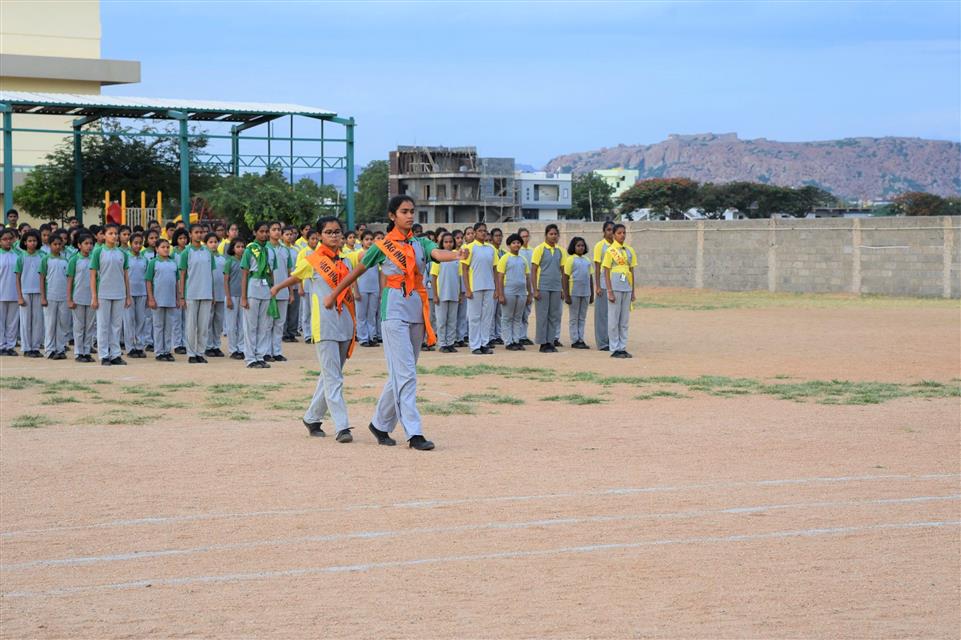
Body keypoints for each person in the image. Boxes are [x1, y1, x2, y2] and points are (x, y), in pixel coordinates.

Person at [324, 195, 468, 451]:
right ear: (392, 216)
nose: (410, 216)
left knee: (403, 372)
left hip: (417, 311)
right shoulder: (381, 247)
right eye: (404, 211)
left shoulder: (420, 242)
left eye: (412, 211)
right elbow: (356, 272)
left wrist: (456, 253)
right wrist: (334, 294)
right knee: (406, 374)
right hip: (393, 312)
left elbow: (437, 252)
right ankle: (414, 433)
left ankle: (380, 423)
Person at [271, 217, 356, 442]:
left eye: (337, 232)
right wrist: (278, 287)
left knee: (330, 375)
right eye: (329, 232)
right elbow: (296, 276)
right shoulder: (313, 259)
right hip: (324, 324)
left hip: (345, 323)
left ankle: (312, 417)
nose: (334, 236)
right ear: (319, 236)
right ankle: (343, 426)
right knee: (333, 377)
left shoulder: (347, 259)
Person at [89, 224, 131, 365]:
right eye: (110, 233)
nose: (114, 236)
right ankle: (104, 355)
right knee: (103, 325)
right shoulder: (98, 252)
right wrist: (94, 296)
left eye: (115, 233)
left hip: (119, 293)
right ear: (104, 235)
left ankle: (115, 354)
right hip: (103, 293)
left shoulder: (123, 253)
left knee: (116, 325)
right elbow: (93, 275)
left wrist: (128, 295)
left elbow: (125, 276)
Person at [240, 221, 276, 369]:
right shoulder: (250, 250)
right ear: (255, 233)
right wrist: (243, 297)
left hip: (265, 287)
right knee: (251, 325)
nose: (265, 234)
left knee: (264, 325)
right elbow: (244, 274)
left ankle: (260, 355)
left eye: (266, 231)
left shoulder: (268, 250)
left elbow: (271, 272)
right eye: (261, 231)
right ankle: (250, 357)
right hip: (253, 286)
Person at [178, 228, 215, 364]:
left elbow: (210, 274)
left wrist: (213, 294)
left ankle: (200, 352)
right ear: (190, 235)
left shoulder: (207, 252)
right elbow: (182, 275)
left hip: (206, 293)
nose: (199, 235)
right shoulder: (186, 252)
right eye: (196, 232)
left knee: (203, 325)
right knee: (191, 325)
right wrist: (182, 296)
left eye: (201, 232)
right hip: (191, 293)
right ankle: (191, 353)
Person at [602, 223, 638, 359]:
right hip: (615, 286)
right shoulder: (610, 251)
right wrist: (609, 290)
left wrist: (633, 290)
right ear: (614, 234)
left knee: (624, 320)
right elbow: (606, 270)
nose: (622, 235)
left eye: (624, 233)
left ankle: (622, 347)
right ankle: (614, 347)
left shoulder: (629, 251)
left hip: (626, 287)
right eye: (619, 233)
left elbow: (632, 270)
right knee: (613, 318)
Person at [461, 222, 497, 355]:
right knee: (474, 317)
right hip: (475, 287)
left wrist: (497, 289)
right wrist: (467, 288)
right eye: (480, 231)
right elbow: (464, 269)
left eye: (485, 231)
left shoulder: (491, 248)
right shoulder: (469, 248)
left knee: (487, 316)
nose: (483, 233)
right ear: (475, 233)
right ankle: (475, 345)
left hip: (489, 286)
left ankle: (484, 343)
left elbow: (495, 269)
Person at [530, 224, 566, 353]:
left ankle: (551, 341)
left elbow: (562, 271)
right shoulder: (539, 249)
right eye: (551, 234)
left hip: (556, 287)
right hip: (543, 287)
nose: (553, 236)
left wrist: (563, 289)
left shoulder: (560, 251)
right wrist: (535, 289)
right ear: (546, 235)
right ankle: (542, 343)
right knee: (542, 315)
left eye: (556, 234)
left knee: (554, 315)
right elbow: (533, 270)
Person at [496, 232, 532, 351]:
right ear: (509, 245)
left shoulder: (523, 259)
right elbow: (500, 277)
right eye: (513, 243)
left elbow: (527, 277)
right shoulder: (505, 258)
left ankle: (516, 340)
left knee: (518, 317)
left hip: (521, 292)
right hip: (509, 292)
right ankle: (508, 341)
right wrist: (501, 294)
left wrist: (529, 293)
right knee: (507, 317)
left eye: (518, 243)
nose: (516, 245)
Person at [146, 238, 179, 362]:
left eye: (167, 247)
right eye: (163, 247)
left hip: (170, 299)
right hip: (158, 299)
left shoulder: (173, 263)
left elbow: (176, 282)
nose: (165, 249)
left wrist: (177, 298)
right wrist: (151, 298)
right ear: (157, 249)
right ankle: (159, 351)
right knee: (158, 326)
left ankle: (167, 350)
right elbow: (148, 281)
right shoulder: (153, 263)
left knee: (169, 326)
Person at [266, 221, 293, 362]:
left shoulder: (285, 250)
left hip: (283, 291)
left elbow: (289, 272)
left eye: (278, 229)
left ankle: (276, 351)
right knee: (268, 322)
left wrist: (291, 292)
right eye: (273, 229)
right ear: (269, 232)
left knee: (279, 323)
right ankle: (266, 351)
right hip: (269, 291)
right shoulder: (265, 249)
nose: (276, 232)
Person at [39, 234, 70, 359]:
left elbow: (68, 280)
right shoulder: (45, 259)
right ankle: (50, 349)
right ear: (50, 245)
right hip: (50, 296)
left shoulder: (65, 260)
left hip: (63, 296)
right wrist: (43, 297)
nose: (57, 246)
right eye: (55, 244)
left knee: (62, 324)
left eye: (59, 244)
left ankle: (60, 348)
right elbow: (41, 279)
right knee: (50, 323)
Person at [66, 233, 96, 362]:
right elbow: (69, 280)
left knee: (89, 326)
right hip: (78, 297)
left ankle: (87, 351)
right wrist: (69, 299)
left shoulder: (94, 259)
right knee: (79, 326)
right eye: (86, 243)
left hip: (91, 297)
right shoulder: (74, 260)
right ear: (79, 245)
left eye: (91, 244)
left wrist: (96, 297)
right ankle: (79, 353)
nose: (89, 246)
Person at [430, 232, 462, 353]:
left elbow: (459, 277)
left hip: (454, 293)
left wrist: (459, 294)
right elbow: (433, 277)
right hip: (441, 294)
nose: (448, 244)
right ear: (442, 243)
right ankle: (442, 343)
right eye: (446, 242)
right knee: (441, 320)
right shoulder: (438, 258)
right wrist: (435, 295)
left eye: (450, 241)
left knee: (452, 320)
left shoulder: (456, 257)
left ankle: (450, 343)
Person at [15, 230, 45, 357]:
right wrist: (20, 296)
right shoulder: (21, 257)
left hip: (39, 292)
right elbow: (17, 278)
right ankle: (27, 348)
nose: (32, 243)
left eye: (34, 241)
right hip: (26, 292)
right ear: (25, 243)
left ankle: (35, 347)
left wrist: (44, 295)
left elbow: (44, 276)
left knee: (38, 321)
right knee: (25, 321)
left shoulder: (42, 256)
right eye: (29, 241)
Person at [563, 236, 593, 349]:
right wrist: (566, 294)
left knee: (582, 317)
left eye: (582, 246)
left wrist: (591, 294)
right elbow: (565, 277)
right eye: (578, 246)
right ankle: (574, 339)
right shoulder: (570, 259)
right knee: (574, 317)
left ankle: (581, 338)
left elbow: (590, 278)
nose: (581, 248)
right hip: (574, 292)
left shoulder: (587, 260)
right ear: (573, 247)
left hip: (585, 293)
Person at [123, 233, 149, 358]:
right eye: (135, 243)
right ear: (130, 243)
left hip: (142, 293)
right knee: (129, 321)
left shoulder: (145, 259)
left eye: (140, 243)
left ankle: (139, 346)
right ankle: (130, 347)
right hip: (129, 293)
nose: (138, 245)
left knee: (141, 321)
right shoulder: (126, 258)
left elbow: (148, 278)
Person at [355, 230, 380, 347]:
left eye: (371, 239)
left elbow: (379, 272)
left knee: (372, 314)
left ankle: (372, 336)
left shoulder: (376, 253)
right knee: (361, 315)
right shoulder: (360, 254)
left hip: (374, 287)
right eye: (367, 239)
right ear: (362, 241)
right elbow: (354, 274)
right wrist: (356, 291)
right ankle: (363, 338)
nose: (369, 241)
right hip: (362, 287)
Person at [593, 221, 615, 351]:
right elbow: (597, 267)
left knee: (614, 314)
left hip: (616, 282)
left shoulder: (618, 247)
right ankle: (602, 342)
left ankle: (612, 340)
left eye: (613, 230)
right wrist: (597, 286)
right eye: (608, 230)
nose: (611, 232)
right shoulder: (600, 246)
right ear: (604, 231)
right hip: (603, 282)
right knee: (602, 314)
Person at [223, 238, 247, 360]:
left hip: (243, 295)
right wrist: (228, 298)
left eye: (242, 246)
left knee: (242, 324)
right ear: (233, 248)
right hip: (232, 295)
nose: (241, 249)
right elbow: (226, 280)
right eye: (238, 246)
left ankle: (241, 348)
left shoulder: (245, 261)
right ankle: (233, 349)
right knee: (231, 325)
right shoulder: (229, 262)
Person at [0, 228, 20, 355]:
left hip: (14, 293)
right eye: (4, 239)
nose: (8, 241)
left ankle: (10, 346)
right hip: (1, 293)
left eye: (10, 239)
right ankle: (1, 345)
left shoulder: (18, 255)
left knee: (12, 322)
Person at [207, 236, 227, 358]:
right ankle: (208, 346)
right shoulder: (206, 258)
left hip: (221, 293)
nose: (213, 244)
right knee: (208, 321)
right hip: (209, 293)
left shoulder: (222, 258)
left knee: (218, 321)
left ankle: (216, 345)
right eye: (211, 242)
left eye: (215, 242)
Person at [517, 227, 535, 346]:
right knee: (518, 312)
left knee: (526, 312)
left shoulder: (532, 251)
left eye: (527, 236)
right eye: (523, 236)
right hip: (519, 284)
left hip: (530, 284)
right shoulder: (518, 251)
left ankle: (523, 335)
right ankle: (517, 335)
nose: (525, 239)